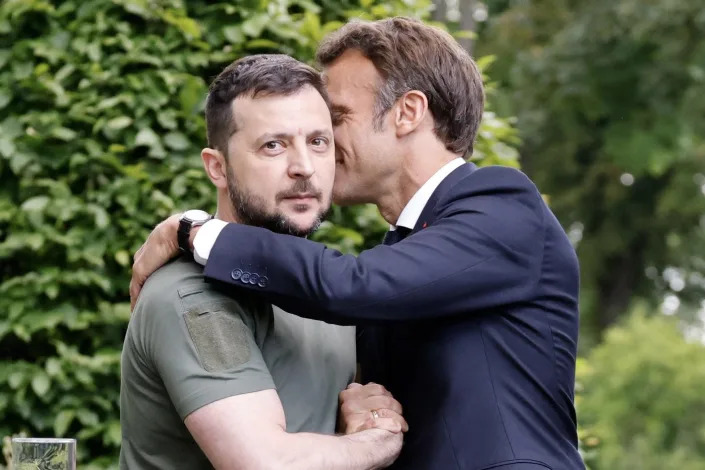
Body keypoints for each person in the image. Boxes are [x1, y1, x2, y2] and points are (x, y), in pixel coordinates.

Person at [131, 17, 586, 470]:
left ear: (407, 113)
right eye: (275, 145)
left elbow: (352, 284)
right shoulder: (403, 253)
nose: (314, 157)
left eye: (335, 120)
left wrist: (194, 231)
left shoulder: (502, 204)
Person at [120, 54, 407, 470]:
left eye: (318, 142)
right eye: (273, 145)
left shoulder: (324, 287)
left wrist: (361, 416)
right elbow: (267, 464)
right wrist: (378, 440)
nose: (304, 168)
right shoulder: (193, 297)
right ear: (217, 167)